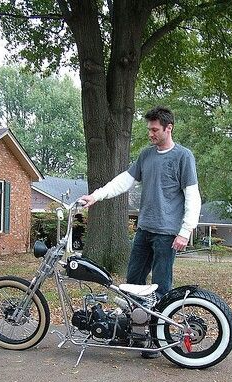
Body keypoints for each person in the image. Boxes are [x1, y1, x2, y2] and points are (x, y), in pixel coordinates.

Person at [80, 106, 201, 357]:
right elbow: (123, 181)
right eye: (149, 129)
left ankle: (158, 341)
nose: (151, 134)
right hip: (144, 230)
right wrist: (96, 196)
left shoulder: (183, 156)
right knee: (132, 284)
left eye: (155, 130)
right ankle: (136, 334)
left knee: (161, 288)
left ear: (169, 128)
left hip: (168, 234)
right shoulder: (146, 156)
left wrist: (185, 231)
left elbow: (192, 196)